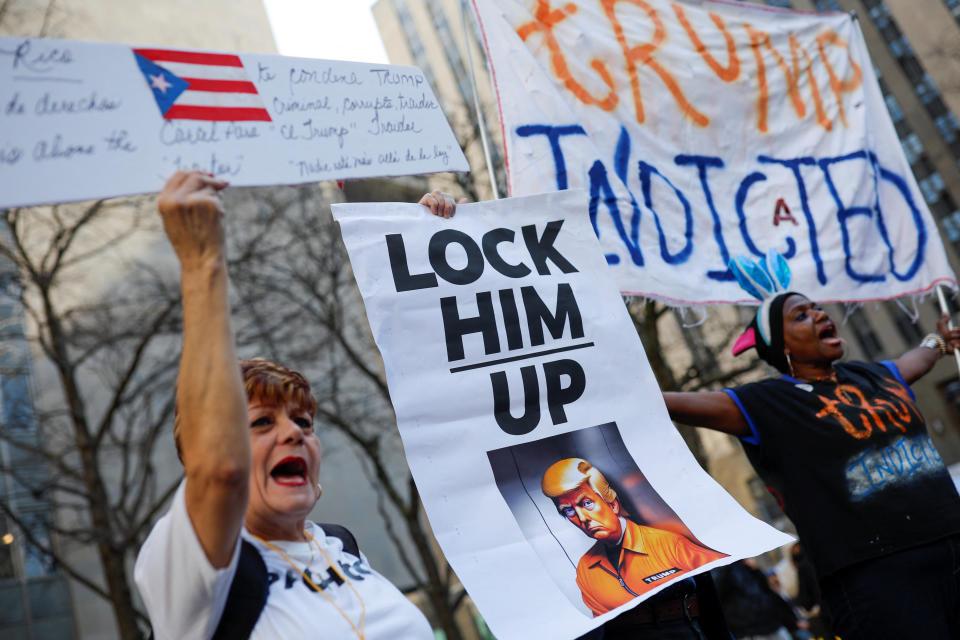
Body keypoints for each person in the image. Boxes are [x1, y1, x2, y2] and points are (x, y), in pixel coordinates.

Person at [134, 171, 434, 640]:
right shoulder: (187, 570)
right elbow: (219, 471)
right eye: (258, 423)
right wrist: (200, 263)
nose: (294, 433)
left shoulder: (341, 546)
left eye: (302, 421)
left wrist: (435, 243)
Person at [663, 288, 960, 640]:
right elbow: (669, 402)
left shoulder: (876, 375)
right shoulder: (764, 402)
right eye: (801, 315)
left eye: (818, 308)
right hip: (878, 580)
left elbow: (918, 359)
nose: (820, 314)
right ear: (782, 347)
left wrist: (938, 342)